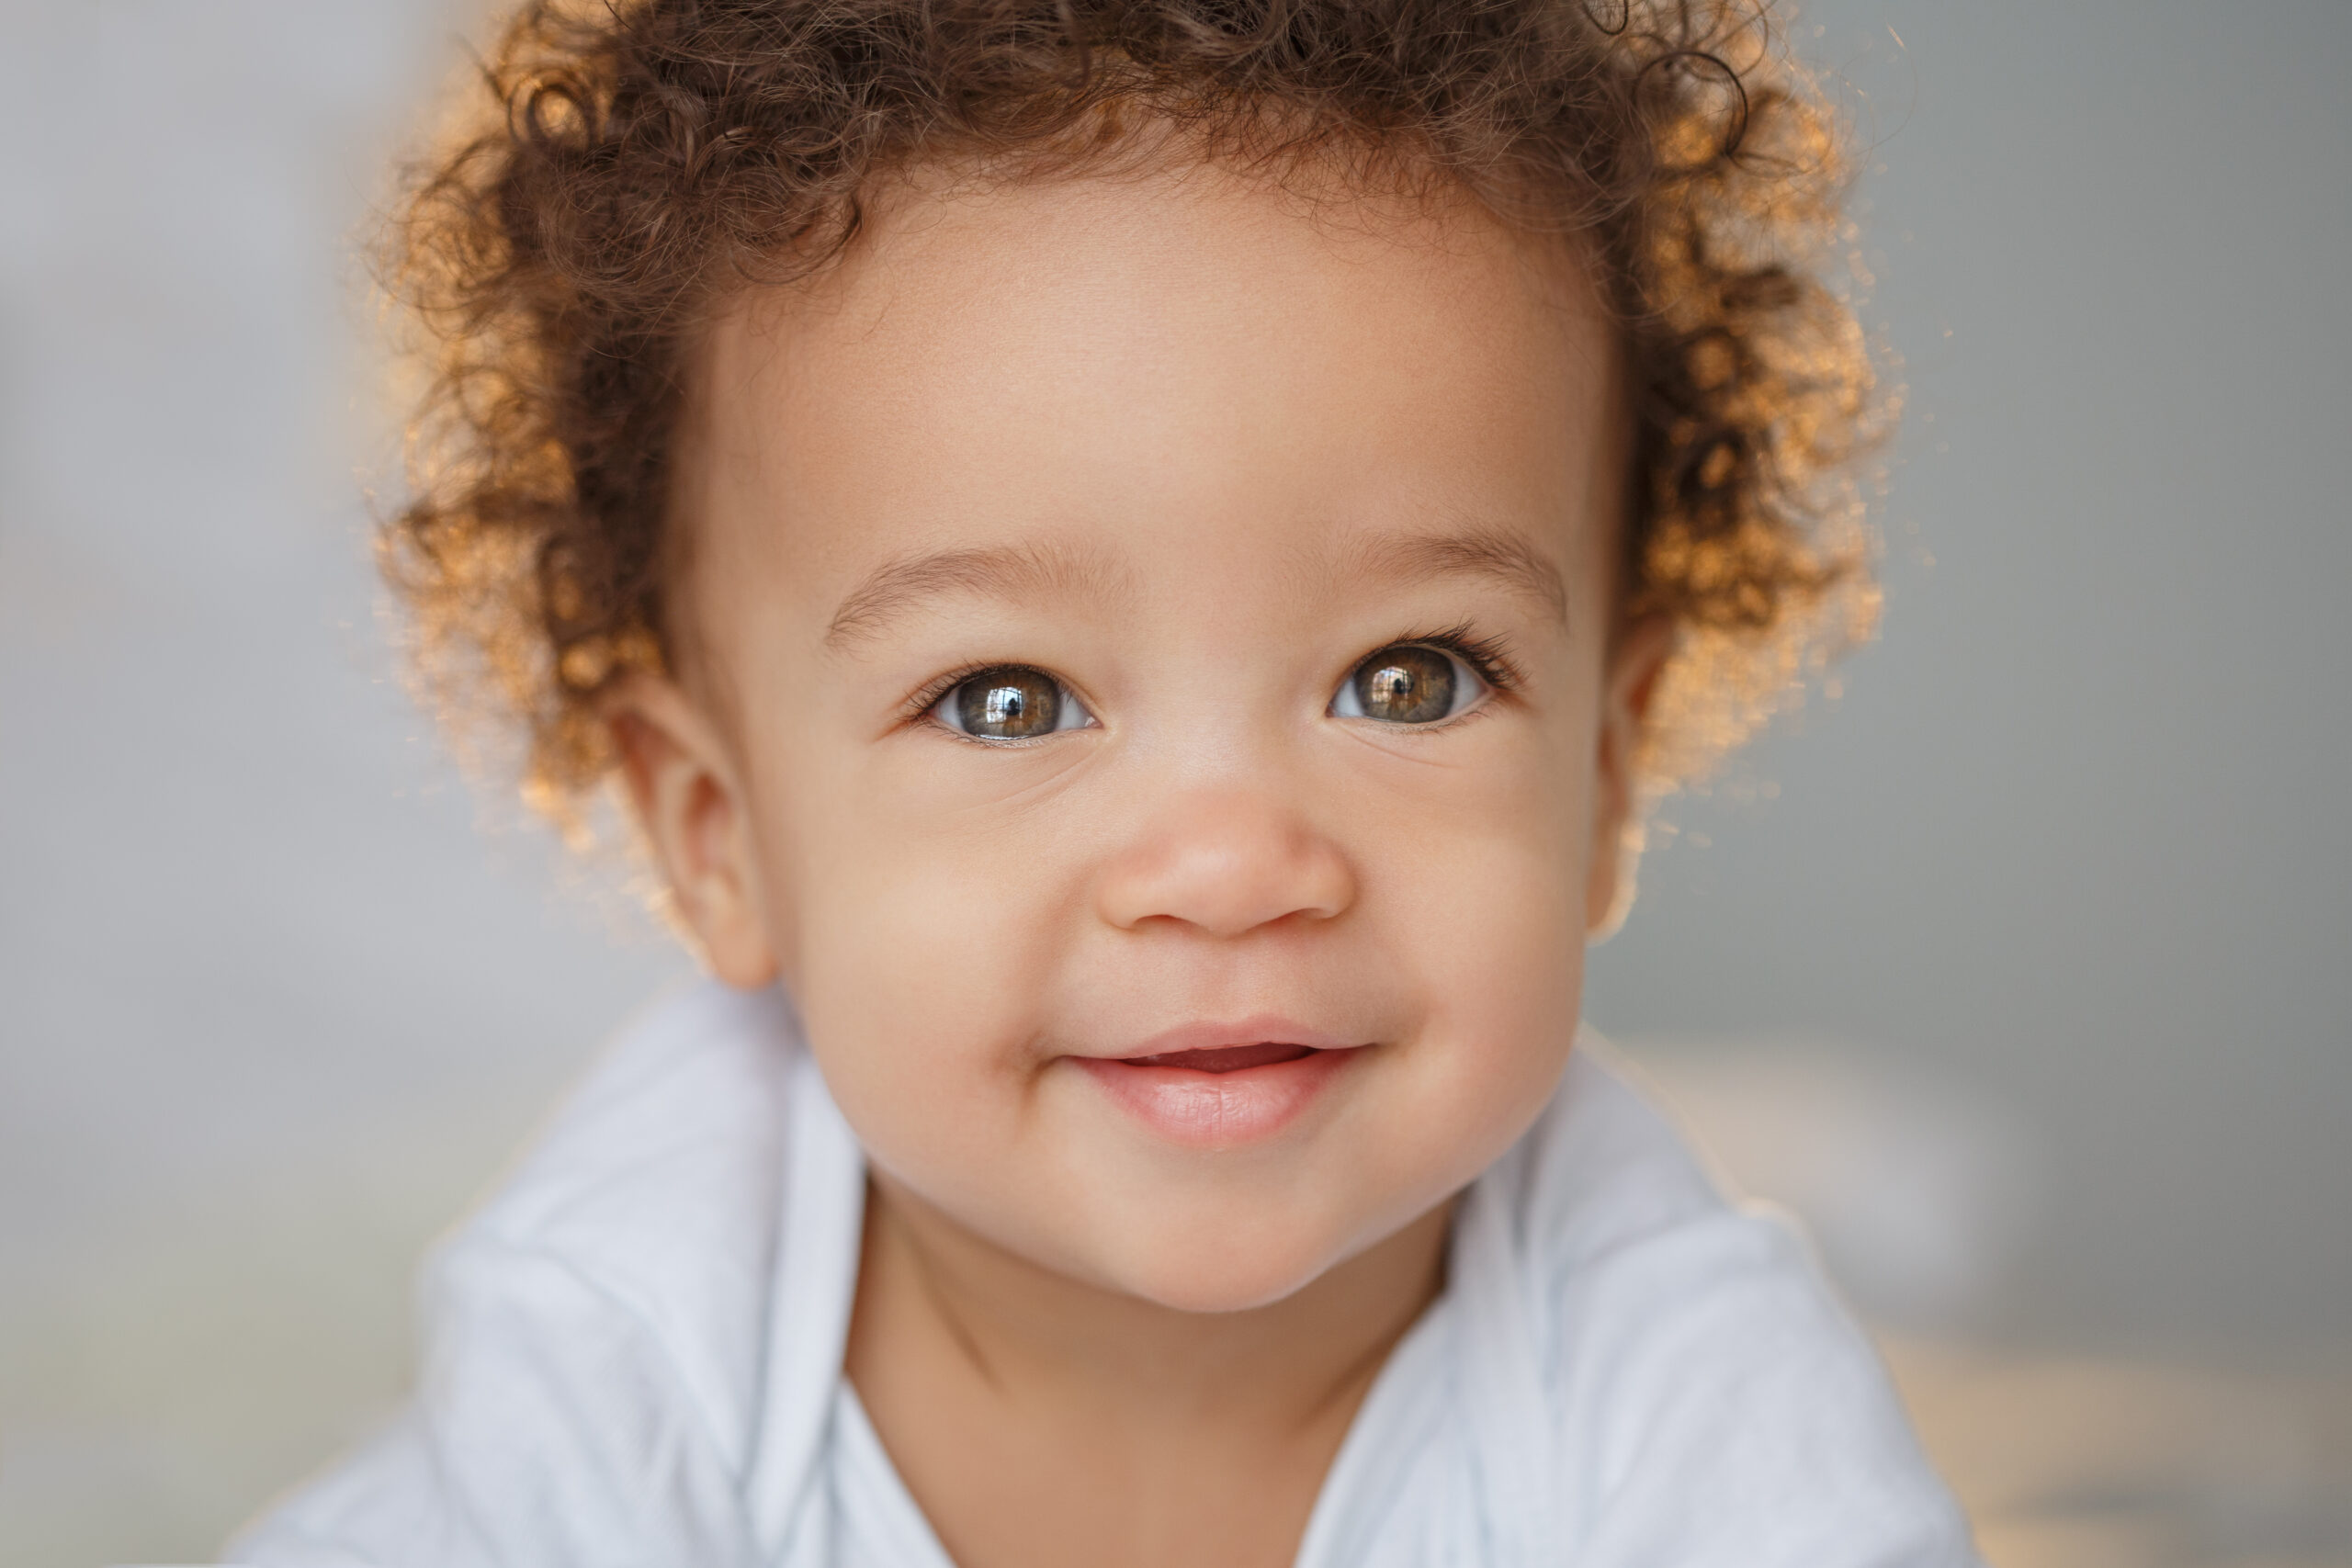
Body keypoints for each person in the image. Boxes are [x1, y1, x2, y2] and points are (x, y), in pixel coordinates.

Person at [231, 1, 1975, 1562]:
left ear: (1604, 770)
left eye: (1410, 678)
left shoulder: (1691, 1393)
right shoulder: (618, 1365)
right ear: (719, 835)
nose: (1229, 868)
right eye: (1006, 700)